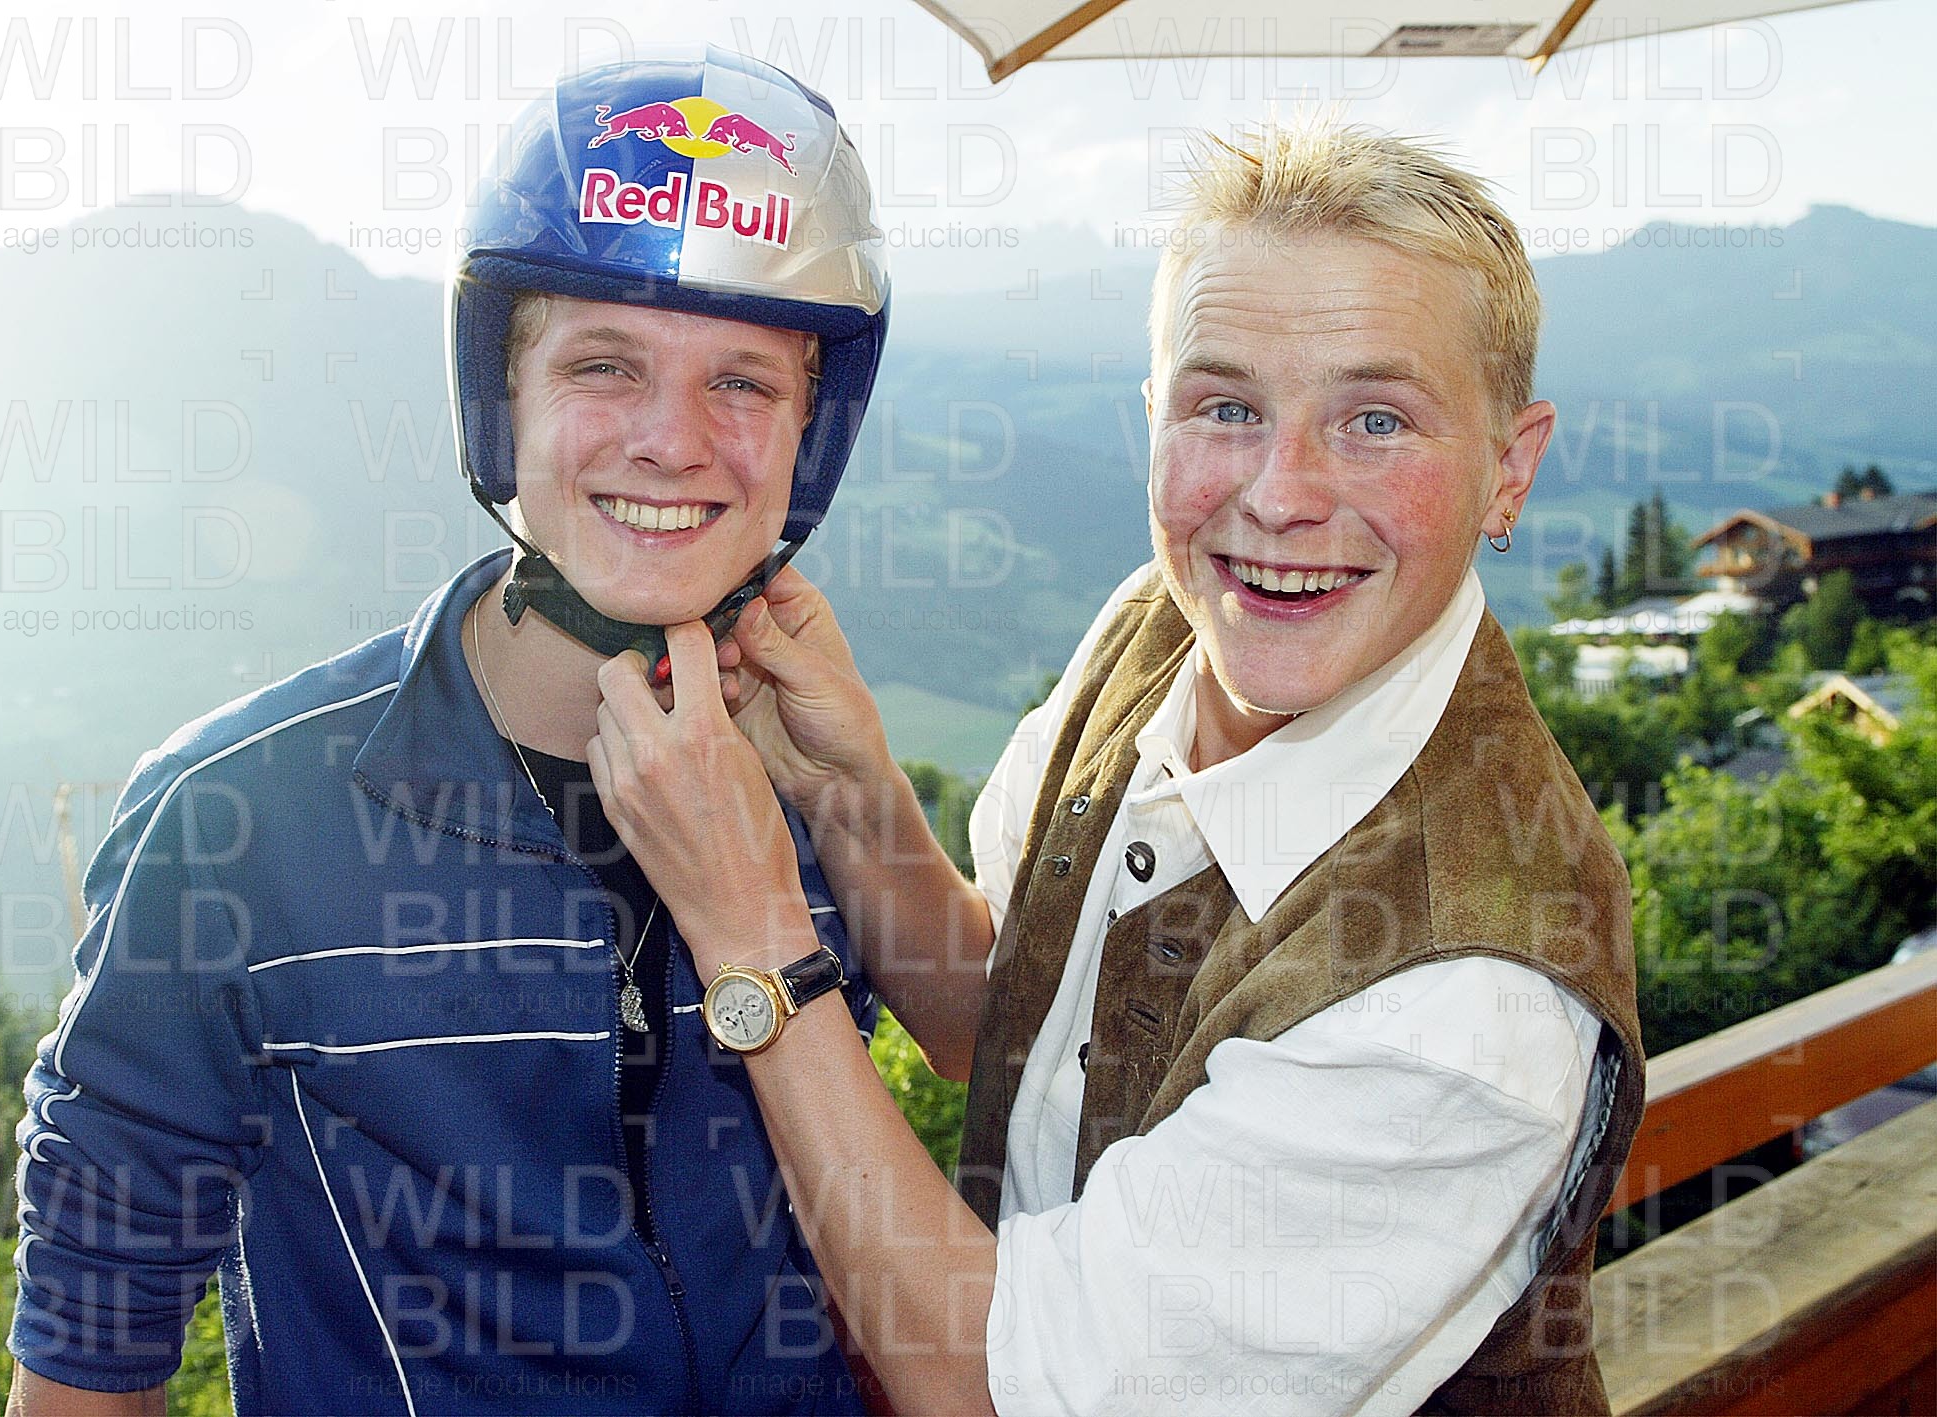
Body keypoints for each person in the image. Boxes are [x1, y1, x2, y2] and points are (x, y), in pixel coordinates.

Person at [591, 122, 1646, 1415]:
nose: (1280, 494)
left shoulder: (1466, 997)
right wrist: (847, 792)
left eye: (1376, 420)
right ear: (1155, 418)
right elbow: (1003, 1027)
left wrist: (747, 934)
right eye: (1225, 408)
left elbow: (986, 1388)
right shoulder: (1161, 623)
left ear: (1509, 468)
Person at [6, 48, 897, 1416]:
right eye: (604, 364)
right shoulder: (237, 826)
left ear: (807, 436)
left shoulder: (814, 783)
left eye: (744, 383)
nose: (672, 441)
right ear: (504, 399)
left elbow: (990, 1096)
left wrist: (858, 808)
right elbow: (88, 1362)